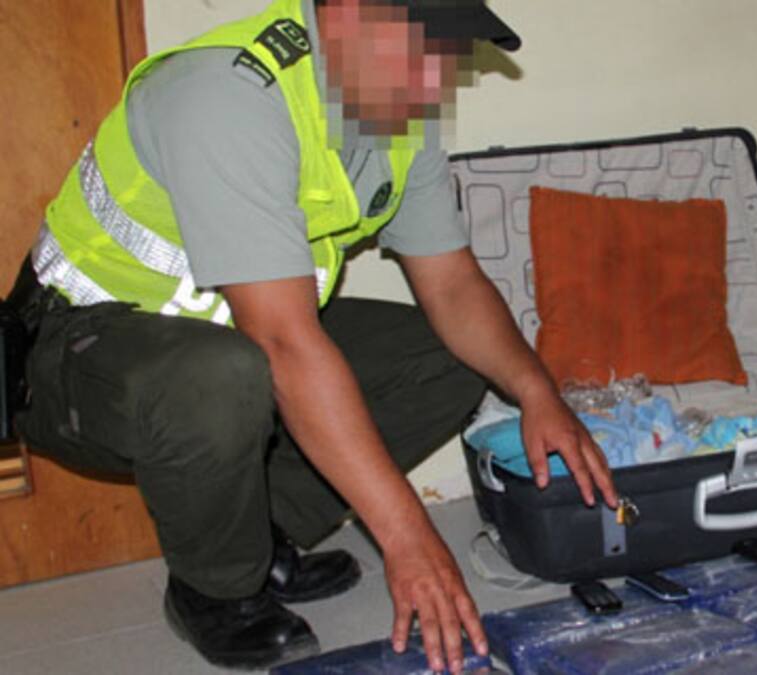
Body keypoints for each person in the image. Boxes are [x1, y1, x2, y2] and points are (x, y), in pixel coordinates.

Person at [10, 0, 618, 671]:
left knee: (443, 359)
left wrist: (537, 392)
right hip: (75, 351)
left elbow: (451, 284)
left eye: (446, 56)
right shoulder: (227, 96)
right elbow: (282, 344)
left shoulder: (396, 117)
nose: (434, 80)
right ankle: (215, 589)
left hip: (230, 335)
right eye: (420, 48)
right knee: (223, 376)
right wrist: (407, 535)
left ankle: (254, 536)